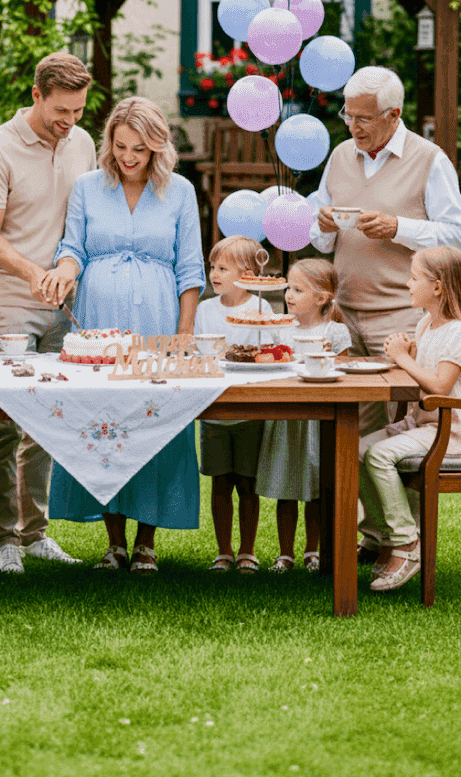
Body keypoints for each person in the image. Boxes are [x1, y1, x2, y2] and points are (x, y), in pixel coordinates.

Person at [43, 96, 206, 573]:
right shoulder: (89, 188)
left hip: (158, 318)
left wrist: (185, 332)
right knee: (106, 421)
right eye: (121, 146)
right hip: (99, 319)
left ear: (157, 148)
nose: (129, 157)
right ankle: (115, 542)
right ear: (108, 143)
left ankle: (147, 543)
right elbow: (73, 248)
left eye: (140, 148)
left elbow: (190, 266)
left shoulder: (179, 191)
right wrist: (64, 273)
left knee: (157, 422)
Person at [0, 52, 96, 574]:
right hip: (10, 301)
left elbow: (80, 220)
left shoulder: (82, 144)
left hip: (63, 298)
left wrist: (65, 268)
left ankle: (35, 531)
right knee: (5, 421)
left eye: (79, 112)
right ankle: (3, 540)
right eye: (60, 111)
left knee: (47, 418)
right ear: (37, 95)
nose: (68, 123)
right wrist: (32, 274)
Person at [310, 65, 461, 435]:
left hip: (401, 319)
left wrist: (399, 227)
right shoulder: (341, 155)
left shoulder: (430, 159)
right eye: (348, 114)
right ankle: (347, 496)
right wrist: (323, 225)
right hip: (342, 313)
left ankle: (399, 496)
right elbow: (320, 236)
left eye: (364, 117)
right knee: (349, 428)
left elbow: (455, 237)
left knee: (401, 427)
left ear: (394, 115)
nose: (353, 126)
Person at [359, 246, 461, 592]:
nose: (407, 284)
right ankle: (389, 535)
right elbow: (424, 373)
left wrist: (404, 358)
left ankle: (406, 543)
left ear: (437, 287)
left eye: (414, 277)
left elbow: (441, 387)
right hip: (422, 425)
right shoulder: (425, 324)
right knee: (355, 449)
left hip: (449, 431)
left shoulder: (457, 331)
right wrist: (409, 353)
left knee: (379, 454)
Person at [255, 259, 351, 573]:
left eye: (298, 290)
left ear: (322, 298)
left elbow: (344, 375)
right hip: (286, 418)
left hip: (317, 421)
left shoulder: (335, 332)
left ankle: (313, 551)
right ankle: (286, 553)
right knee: (286, 488)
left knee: (315, 488)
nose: (289, 295)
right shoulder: (280, 328)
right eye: (289, 288)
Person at [194, 235, 275, 575]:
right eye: (212, 266)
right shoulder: (204, 309)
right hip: (215, 408)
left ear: (245, 272)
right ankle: (224, 551)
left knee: (247, 482)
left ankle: (248, 550)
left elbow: (268, 352)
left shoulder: (260, 309)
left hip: (248, 408)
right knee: (220, 482)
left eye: (222, 268)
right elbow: (200, 353)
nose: (214, 273)